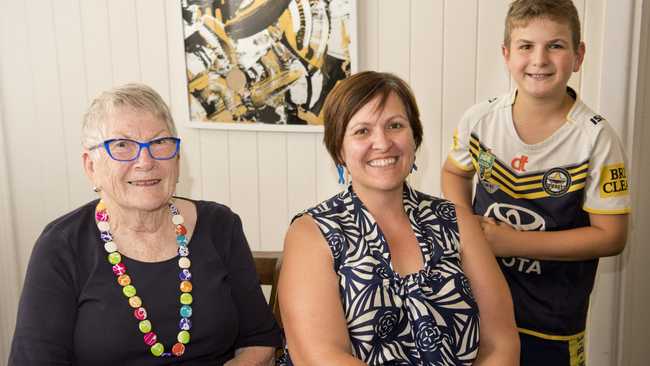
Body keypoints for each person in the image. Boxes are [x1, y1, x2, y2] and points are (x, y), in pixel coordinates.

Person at [9, 83, 281, 365]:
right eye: (122, 145)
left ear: (176, 157)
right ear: (91, 167)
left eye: (159, 142)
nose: (145, 161)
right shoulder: (61, 244)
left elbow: (259, 341)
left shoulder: (220, 226)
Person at [279, 71, 519, 365]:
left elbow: (501, 344)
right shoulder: (311, 234)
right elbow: (319, 357)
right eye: (361, 131)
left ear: (415, 138)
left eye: (395, 125)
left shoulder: (458, 222)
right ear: (339, 150)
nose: (382, 143)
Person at [441, 1, 631, 365]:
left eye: (555, 45)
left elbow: (611, 236)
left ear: (578, 56)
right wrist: (468, 229)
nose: (539, 59)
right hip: (482, 301)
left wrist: (514, 242)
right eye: (526, 46)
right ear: (507, 54)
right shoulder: (480, 119)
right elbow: (454, 173)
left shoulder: (596, 139)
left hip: (554, 316)